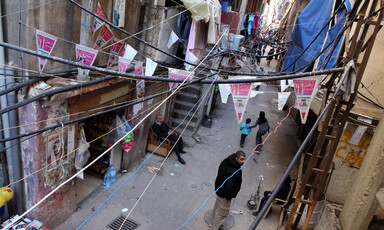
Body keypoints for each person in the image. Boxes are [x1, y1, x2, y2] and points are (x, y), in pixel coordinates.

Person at [210, 151, 246, 230]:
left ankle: (212, 222)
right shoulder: (232, 172)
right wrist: (230, 197)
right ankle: (214, 227)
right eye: (241, 159)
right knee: (222, 213)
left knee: (217, 207)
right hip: (224, 196)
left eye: (244, 159)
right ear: (236, 158)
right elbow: (229, 188)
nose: (243, 161)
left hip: (219, 190)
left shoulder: (227, 161)